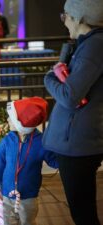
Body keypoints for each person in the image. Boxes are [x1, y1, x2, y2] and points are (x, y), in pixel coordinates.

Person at [42, 0, 103, 224]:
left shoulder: (95, 46)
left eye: (65, 16)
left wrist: (49, 77)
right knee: (81, 211)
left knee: (83, 214)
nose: (64, 21)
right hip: (75, 142)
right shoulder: (87, 44)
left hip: (79, 145)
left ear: (79, 18)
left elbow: (69, 96)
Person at [0, 97, 58, 225]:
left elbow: (55, 162)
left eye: (12, 118)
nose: (8, 120)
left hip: (29, 197)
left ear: (22, 123)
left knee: (28, 222)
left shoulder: (41, 142)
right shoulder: (6, 141)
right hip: (7, 195)